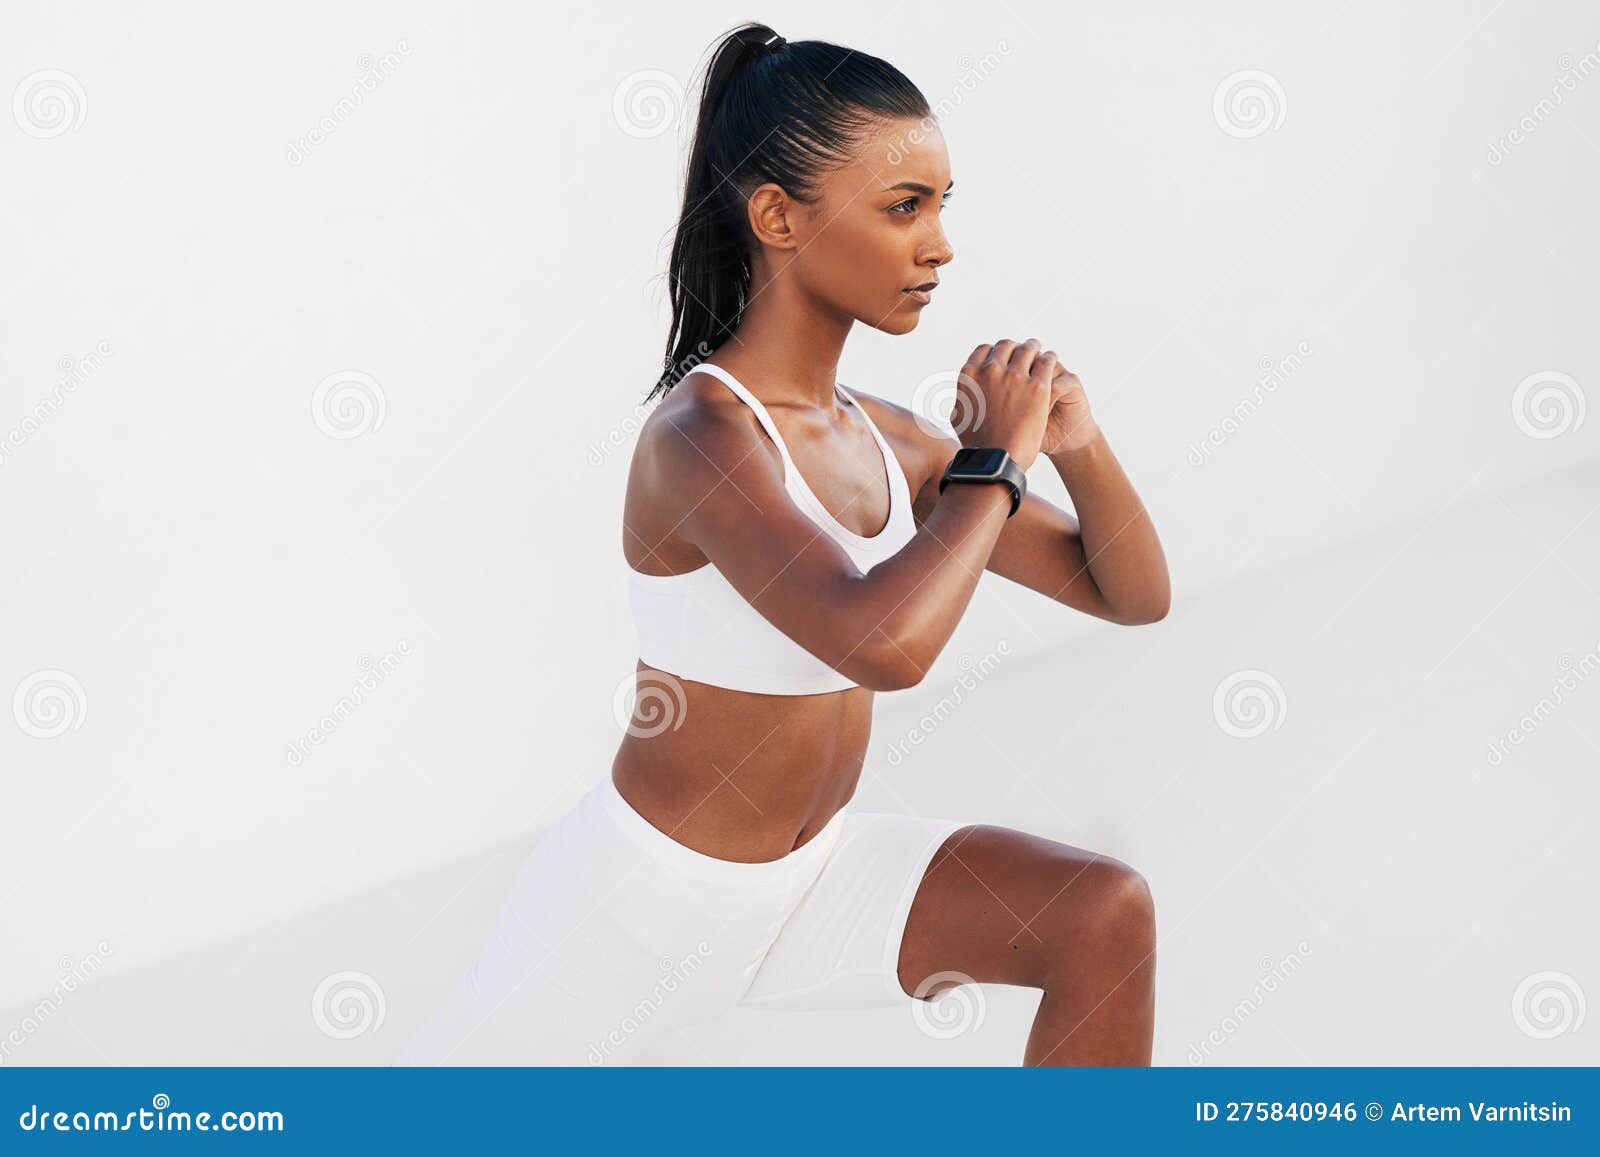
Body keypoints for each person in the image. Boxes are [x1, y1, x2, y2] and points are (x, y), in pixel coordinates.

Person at [396, 21, 1171, 1067]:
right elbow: (884, 646)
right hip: (632, 918)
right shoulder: (701, 439)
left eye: (943, 206)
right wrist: (993, 457)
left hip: (813, 888)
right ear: (777, 215)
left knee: (1100, 912)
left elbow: (1131, 593)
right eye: (904, 207)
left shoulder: (892, 438)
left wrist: (1075, 444)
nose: (939, 244)